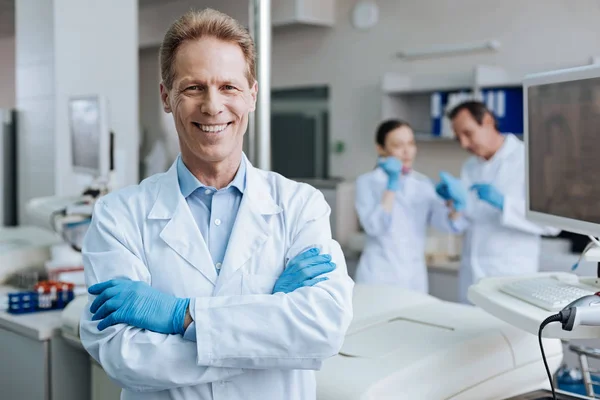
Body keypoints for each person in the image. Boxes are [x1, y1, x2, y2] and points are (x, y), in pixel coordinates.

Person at [79, 9, 354, 400]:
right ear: (166, 98)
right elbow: (123, 356)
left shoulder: (301, 206)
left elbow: (323, 330)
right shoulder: (119, 216)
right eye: (193, 88)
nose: (212, 106)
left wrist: (182, 315)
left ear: (252, 96)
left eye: (229, 87)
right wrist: (268, 315)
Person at [435, 100, 559, 303]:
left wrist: (504, 204)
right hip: (471, 274)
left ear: (488, 120)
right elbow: (466, 221)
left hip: (510, 275)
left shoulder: (528, 159)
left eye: (468, 133)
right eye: (458, 138)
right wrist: (455, 205)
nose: (464, 144)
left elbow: (551, 224)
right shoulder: (470, 166)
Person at [353, 119, 457, 292]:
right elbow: (375, 227)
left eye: (411, 143)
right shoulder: (367, 182)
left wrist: (453, 203)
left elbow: (445, 224)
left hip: (414, 276)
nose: (406, 151)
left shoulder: (422, 182)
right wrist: (392, 186)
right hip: (379, 275)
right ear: (381, 149)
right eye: (398, 145)